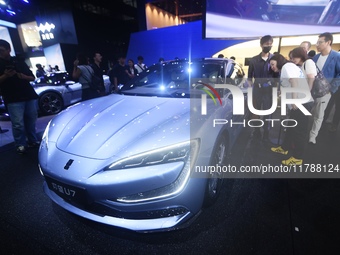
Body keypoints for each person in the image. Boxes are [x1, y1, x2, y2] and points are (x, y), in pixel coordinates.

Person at [269, 53, 313, 165]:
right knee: (291, 127)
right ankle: (285, 148)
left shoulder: (286, 67)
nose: (272, 67)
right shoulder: (290, 67)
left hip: (301, 103)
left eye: (273, 64)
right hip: (300, 102)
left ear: (278, 61)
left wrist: (294, 100)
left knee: (299, 131)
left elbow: (294, 81)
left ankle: (298, 158)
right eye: (271, 65)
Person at [0, 39, 39, 154]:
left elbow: (32, 77)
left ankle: (33, 140)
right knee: (18, 124)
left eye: (2, 50)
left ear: (8, 50)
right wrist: (6, 76)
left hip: (28, 94)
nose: (0, 53)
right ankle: (20, 144)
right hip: (12, 98)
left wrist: (23, 76)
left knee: (31, 120)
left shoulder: (19, 61)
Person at [290, 47, 328, 144]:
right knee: (298, 123)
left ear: (300, 56)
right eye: (291, 58)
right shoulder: (301, 65)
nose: (292, 60)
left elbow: (311, 78)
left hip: (307, 98)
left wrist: (307, 93)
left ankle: (300, 153)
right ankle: (295, 147)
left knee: (303, 125)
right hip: (303, 98)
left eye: (294, 57)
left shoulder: (308, 62)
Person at [247, 35, 276, 141]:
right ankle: (256, 131)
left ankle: (267, 132)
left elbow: (277, 75)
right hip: (257, 90)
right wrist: (250, 87)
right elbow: (249, 77)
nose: (268, 46)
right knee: (256, 111)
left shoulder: (274, 59)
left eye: (270, 44)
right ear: (261, 45)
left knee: (268, 112)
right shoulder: (254, 60)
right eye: (266, 44)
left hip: (269, 91)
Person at [313, 32, 340, 133]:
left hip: (331, 89)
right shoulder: (316, 57)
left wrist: (332, 88)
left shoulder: (336, 56)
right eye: (317, 42)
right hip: (317, 90)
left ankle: (329, 126)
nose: (317, 45)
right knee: (318, 112)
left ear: (328, 42)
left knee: (333, 108)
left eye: (320, 42)